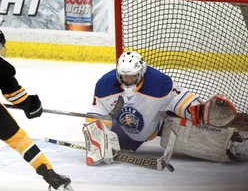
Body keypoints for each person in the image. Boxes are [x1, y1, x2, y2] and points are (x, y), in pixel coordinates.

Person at [83, 51, 248, 165]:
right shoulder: (105, 85)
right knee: (113, 144)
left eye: (132, 75)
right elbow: (97, 113)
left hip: (160, 123)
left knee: (183, 131)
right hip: (128, 132)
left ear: (141, 72)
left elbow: (178, 99)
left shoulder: (158, 83)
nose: (128, 80)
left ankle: (234, 145)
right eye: (124, 76)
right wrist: (96, 137)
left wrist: (199, 111)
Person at [0, 26, 72, 190]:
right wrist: (31, 105)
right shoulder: (0, 63)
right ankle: (51, 177)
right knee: (19, 140)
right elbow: (15, 96)